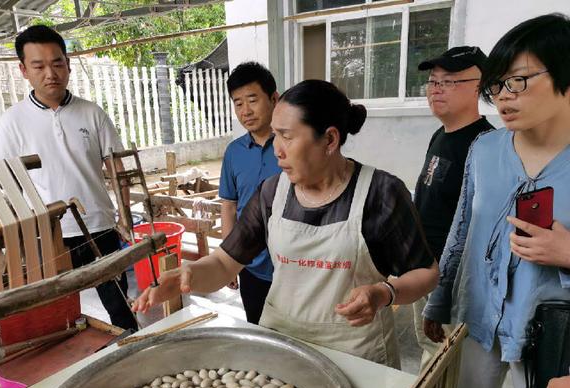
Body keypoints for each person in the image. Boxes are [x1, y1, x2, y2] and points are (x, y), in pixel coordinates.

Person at [134, 79, 438, 368]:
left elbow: (426, 272)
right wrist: (191, 273)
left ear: (330, 139)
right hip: (283, 346)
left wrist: (385, 293)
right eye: (275, 135)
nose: (277, 149)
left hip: (356, 353)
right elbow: (225, 263)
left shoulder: (381, 193)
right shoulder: (271, 193)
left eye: (287, 136)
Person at [423, 13, 570, 388]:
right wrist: (438, 300)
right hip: (480, 317)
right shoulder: (484, 150)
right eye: (497, 86)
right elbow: (462, 228)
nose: (503, 98)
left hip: (554, 335)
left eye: (519, 81)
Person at [0, 25, 138, 331]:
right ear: (23, 70)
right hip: (48, 237)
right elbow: (4, 185)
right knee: (55, 318)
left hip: (100, 228)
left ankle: (133, 356)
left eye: (57, 63)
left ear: (68, 64)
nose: (50, 73)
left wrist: (124, 217)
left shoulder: (92, 114)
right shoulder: (12, 123)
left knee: (120, 307)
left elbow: (117, 170)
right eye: (39, 66)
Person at [412, 46, 494, 365]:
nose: (436, 89)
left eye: (448, 81)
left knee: (448, 363)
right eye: (433, 81)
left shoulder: (485, 145)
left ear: (479, 86)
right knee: (429, 350)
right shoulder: (440, 134)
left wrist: (444, 293)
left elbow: (480, 231)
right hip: (423, 269)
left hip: (452, 284)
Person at [219, 62, 281, 324]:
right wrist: (229, 259)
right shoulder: (234, 152)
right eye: (238, 103)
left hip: (291, 267)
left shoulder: (293, 146)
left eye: (252, 100)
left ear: (274, 99)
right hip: (251, 266)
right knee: (258, 331)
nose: (245, 111)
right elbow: (229, 206)